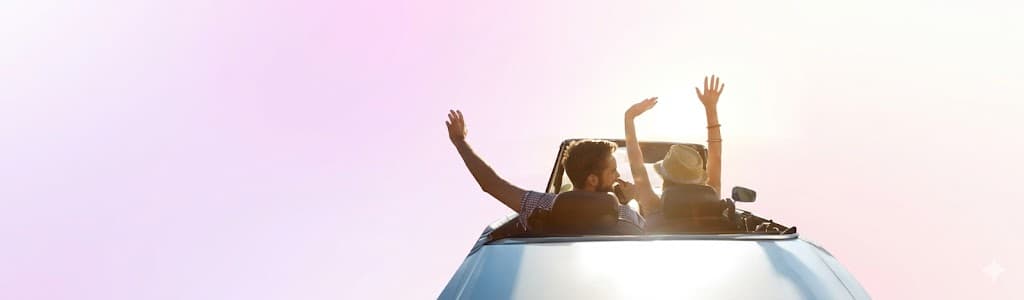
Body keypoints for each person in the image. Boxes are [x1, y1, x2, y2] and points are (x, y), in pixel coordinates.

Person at [444, 110, 653, 230]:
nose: (618, 176)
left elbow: (491, 184)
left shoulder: (543, 205)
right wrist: (635, 202)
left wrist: (460, 142)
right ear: (592, 179)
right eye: (612, 171)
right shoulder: (627, 214)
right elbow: (653, 237)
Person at [623, 75, 725, 215]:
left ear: (665, 178)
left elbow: (636, 164)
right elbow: (716, 156)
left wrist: (629, 118)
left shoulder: (654, 207)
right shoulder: (712, 199)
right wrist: (711, 108)